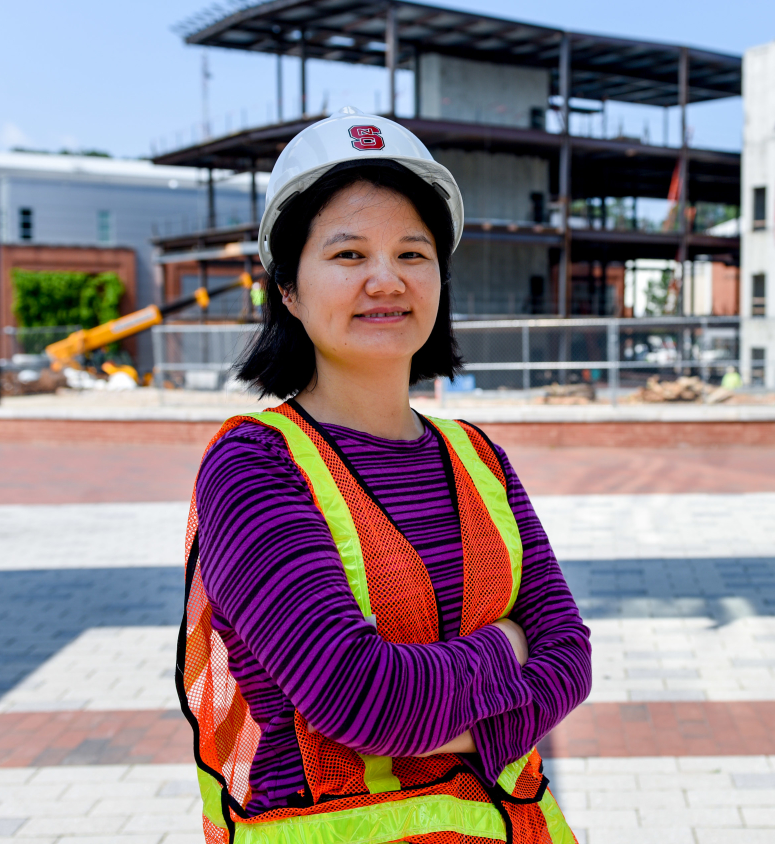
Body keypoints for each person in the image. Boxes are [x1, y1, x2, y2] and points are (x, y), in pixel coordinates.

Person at [178, 108, 590, 844]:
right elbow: (363, 701)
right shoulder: (254, 468)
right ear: (289, 290)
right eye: (347, 255)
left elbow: (570, 658)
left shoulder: (477, 457)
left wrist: (430, 704)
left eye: (412, 252)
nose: (385, 279)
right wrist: (509, 648)